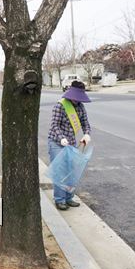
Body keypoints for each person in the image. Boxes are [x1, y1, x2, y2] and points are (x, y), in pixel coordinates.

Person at [48, 80, 92, 211]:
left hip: (71, 142)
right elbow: (54, 125)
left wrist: (87, 134)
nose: (77, 100)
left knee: (70, 171)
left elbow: (85, 123)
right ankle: (60, 200)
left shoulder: (80, 107)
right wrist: (61, 138)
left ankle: (68, 197)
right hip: (57, 142)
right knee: (60, 171)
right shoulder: (60, 106)